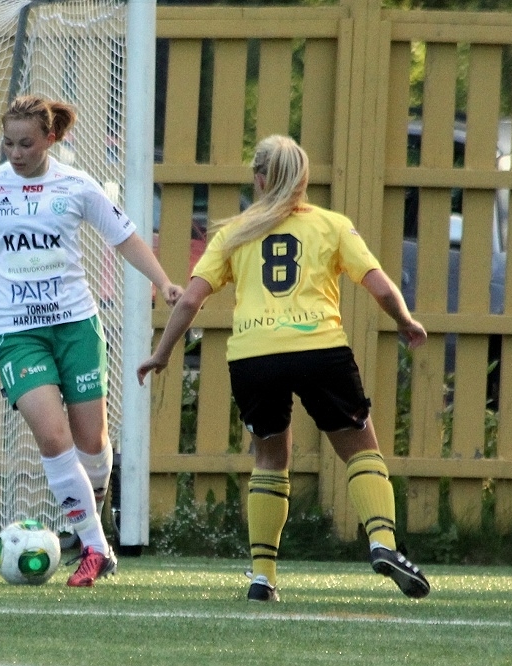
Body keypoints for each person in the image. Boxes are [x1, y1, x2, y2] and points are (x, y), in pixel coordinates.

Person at [0, 94, 183, 587]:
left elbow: (126, 237)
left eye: (26, 143)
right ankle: (96, 548)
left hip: (75, 326)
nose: (16, 153)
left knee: (92, 442)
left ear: (50, 139)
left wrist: (163, 282)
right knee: (53, 437)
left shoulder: (76, 186)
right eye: (8, 143)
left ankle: (91, 517)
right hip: (15, 331)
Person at [137, 134, 431, 602]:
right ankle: (382, 542)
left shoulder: (234, 233)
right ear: (304, 180)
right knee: (361, 451)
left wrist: (163, 353)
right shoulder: (332, 225)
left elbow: (190, 299)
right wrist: (405, 320)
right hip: (320, 351)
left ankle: (263, 577)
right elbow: (379, 286)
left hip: (254, 357)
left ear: (258, 179)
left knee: (270, 460)